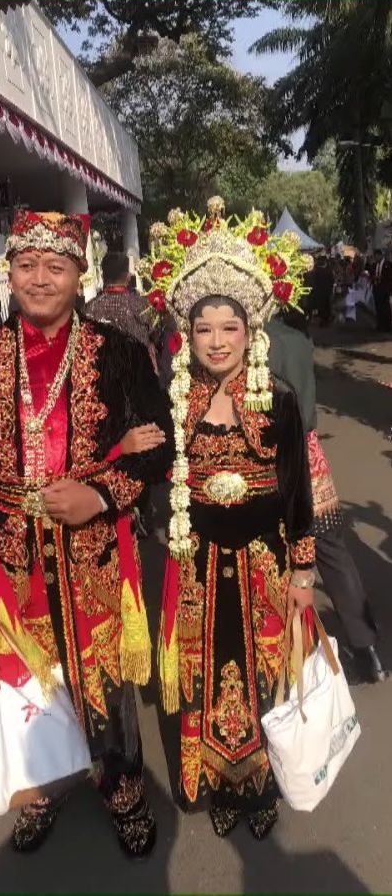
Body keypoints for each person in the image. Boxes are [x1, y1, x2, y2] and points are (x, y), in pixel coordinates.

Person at [0, 210, 172, 857]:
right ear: (7, 272)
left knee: (101, 678)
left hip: (93, 549)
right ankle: (42, 783)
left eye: (55, 266)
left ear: (80, 275)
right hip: (7, 554)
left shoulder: (120, 356)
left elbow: (160, 450)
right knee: (27, 676)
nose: (39, 279)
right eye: (26, 265)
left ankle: (121, 786)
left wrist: (100, 493)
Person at [141, 197, 315, 840]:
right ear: (189, 334)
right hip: (195, 569)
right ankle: (214, 776)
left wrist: (302, 574)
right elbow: (152, 471)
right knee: (202, 677)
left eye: (229, 328)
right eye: (204, 328)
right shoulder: (174, 403)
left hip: (264, 565)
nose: (216, 341)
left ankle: (258, 780)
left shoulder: (281, 404)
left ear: (252, 332)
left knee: (266, 675)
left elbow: (296, 496)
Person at [267, 312, 387, 683]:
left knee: (277, 555)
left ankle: (290, 661)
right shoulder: (298, 339)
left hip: (279, 457)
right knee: (333, 552)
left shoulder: (258, 342)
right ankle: (367, 651)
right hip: (311, 451)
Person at [84, 251, 158, 370]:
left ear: (103, 277)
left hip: (103, 374)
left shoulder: (89, 308)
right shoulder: (141, 304)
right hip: (138, 373)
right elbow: (156, 333)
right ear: (128, 277)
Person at [307, 254, 334, 324]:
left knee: (323, 306)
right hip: (324, 292)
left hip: (321, 292)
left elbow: (313, 281)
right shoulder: (327, 270)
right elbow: (332, 280)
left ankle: (324, 319)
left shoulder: (316, 271)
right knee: (324, 306)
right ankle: (325, 319)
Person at [371, 248, 392, 332]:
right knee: (378, 307)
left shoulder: (388, 264)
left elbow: (389, 277)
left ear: (380, 255)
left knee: (385, 308)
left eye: (376, 256)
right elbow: (372, 274)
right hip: (377, 289)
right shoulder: (375, 265)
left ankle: (387, 325)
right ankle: (380, 324)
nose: (375, 258)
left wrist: (389, 289)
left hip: (384, 289)